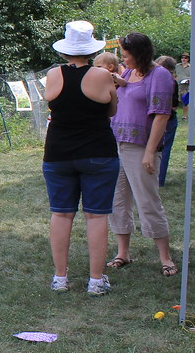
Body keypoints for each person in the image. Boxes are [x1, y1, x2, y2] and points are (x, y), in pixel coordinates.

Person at [43, 21, 120, 296]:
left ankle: (60, 277)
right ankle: (96, 280)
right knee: (96, 215)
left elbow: (54, 103)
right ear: (91, 49)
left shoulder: (53, 74)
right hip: (98, 152)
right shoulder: (102, 75)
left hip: (58, 153)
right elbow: (111, 110)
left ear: (65, 49)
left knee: (61, 213)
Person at [107, 33, 178, 276]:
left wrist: (149, 151)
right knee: (118, 201)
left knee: (148, 201)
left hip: (140, 147)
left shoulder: (159, 75)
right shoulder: (128, 72)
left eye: (126, 55)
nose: (123, 59)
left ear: (140, 54)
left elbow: (162, 115)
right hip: (117, 144)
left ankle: (165, 257)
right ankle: (123, 253)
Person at [155, 56, 179, 187]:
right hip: (166, 119)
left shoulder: (169, 82)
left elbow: (174, 106)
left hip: (167, 121)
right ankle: (158, 179)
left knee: (163, 150)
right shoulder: (171, 81)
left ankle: (159, 179)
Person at [175, 53, 193, 120]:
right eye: (182, 58)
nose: (183, 59)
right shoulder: (177, 66)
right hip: (177, 85)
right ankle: (173, 114)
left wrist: (189, 80)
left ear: (188, 59)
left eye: (185, 58)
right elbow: (174, 74)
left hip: (186, 87)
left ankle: (184, 116)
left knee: (185, 102)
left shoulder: (191, 67)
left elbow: (193, 77)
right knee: (175, 100)